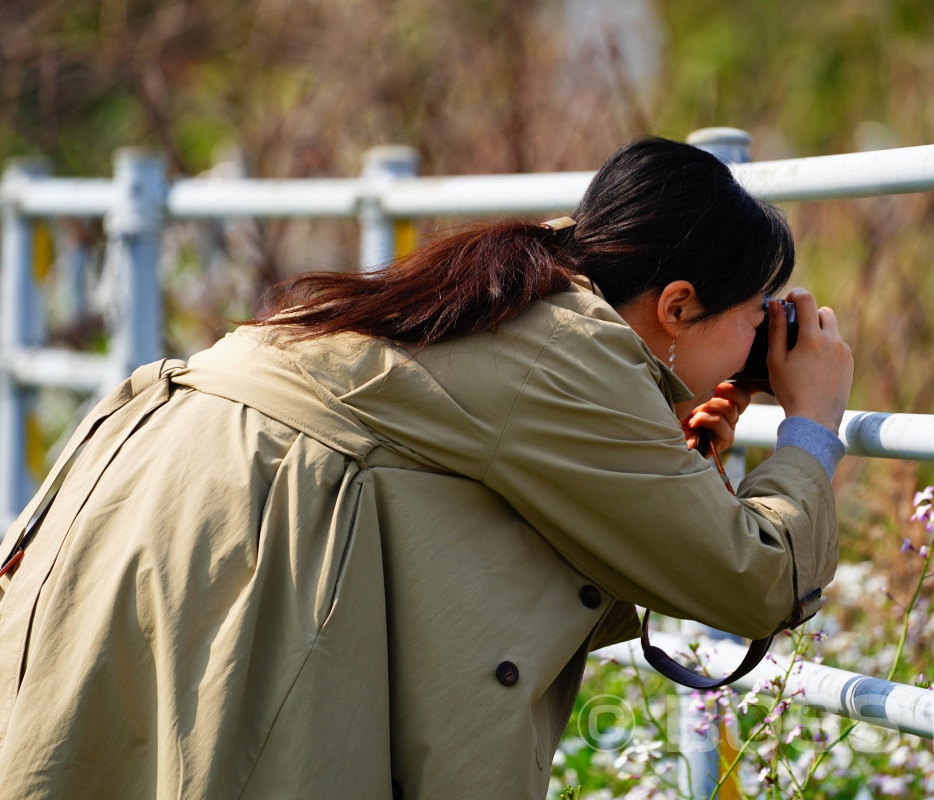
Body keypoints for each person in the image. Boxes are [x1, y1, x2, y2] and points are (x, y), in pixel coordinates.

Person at [0, 137, 852, 798]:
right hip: (235, 529)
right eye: (750, 318)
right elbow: (754, 579)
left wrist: (684, 414)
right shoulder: (573, 358)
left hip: (153, 491)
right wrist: (812, 422)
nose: (762, 339)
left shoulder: (523, 283)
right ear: (676, 306)